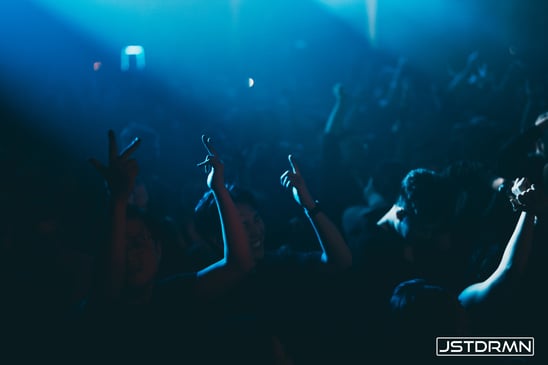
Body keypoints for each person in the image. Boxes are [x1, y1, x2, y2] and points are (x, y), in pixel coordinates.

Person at [82, 131, 255, 363]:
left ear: (158, 250)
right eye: (125, 244)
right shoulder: (101, 310)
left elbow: (239, 264)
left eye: (140, 240)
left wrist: (219, 189)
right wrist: (119, 200)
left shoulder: (173, 296)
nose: (133, 251)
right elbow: (110, 288)